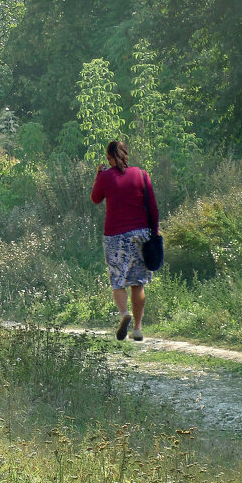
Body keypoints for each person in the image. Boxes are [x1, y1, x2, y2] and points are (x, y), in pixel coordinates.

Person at [90, 140, 159, 341]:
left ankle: (124, 314)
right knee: (138, 283)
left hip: (115, 237)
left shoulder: (105, 177)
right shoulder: (141, 174)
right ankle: (137, 328)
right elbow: (153, 207)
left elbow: (95, 198)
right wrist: (153, 233)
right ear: (126, 155)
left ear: (109, 158)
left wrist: (98, 175)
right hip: (140, 235)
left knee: (117, 281)